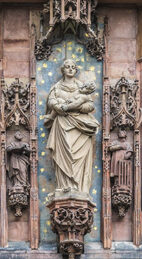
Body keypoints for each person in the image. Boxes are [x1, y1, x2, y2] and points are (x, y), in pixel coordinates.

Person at [44, 60, 100, 197]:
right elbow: (51, 101)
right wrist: (58, 107)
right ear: (63, 70)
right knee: (63, 155)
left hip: (80, 127)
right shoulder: (56, 87)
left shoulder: (81, 87)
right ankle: (64, 187)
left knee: (79, 159)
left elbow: (90, 106)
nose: (70, 69)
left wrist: (74, 107)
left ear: (76, 70)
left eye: (73, 67)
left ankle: (79, 189)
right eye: (67, 67)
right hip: (62, 124)